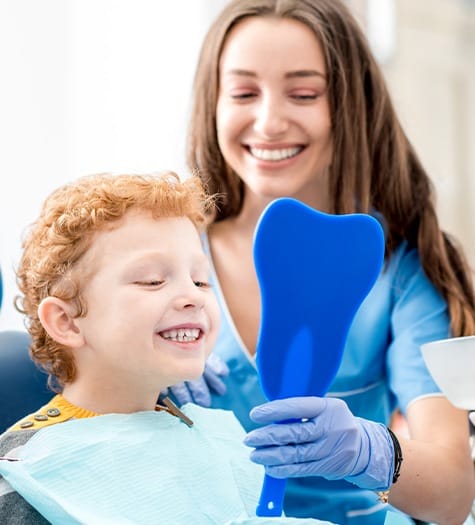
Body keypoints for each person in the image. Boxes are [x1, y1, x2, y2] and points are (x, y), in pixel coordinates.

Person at [165, 0, 475, 524]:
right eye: (243, 92)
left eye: (304, 93)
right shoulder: (165, 249)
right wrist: (135, 385)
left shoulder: (401, 270)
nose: (269, 122)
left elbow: (451, 495)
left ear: (351, 105)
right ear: (212, 103)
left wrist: (367, 451)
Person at [0, 172, 332, 525]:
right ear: (66, 321)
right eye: (153, 280)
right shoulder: (30, 470)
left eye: (201, 280)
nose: (193, 296)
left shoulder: (214, 438)